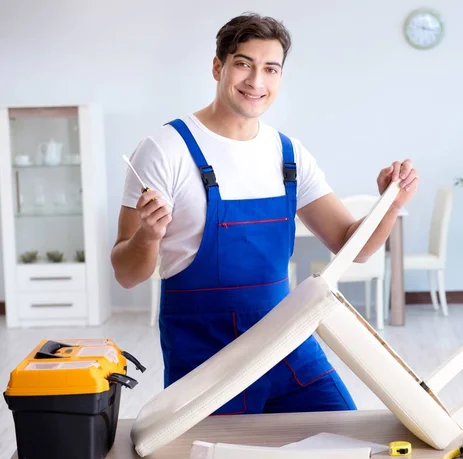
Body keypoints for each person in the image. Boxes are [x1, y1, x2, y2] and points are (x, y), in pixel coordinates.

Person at [111, 12, 419, 415]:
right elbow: (126, 273)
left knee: (344, 432)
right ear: (218, 66)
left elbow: (353, 247)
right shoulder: (165, 150)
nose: (257, 82)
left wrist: (390, 206)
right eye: (243, 64)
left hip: (286, 341)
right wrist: (149, 237)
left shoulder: (288, 154)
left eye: (270, 69)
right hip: (206, 356)